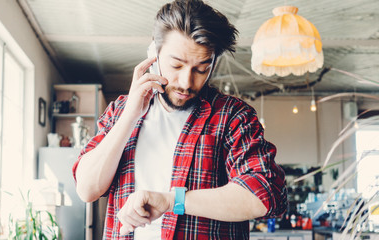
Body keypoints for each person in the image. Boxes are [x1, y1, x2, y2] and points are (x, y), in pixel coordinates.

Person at [73, 0, 287, 239]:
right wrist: (129, 117)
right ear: (153, 55)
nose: (186, 82)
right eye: (176, 65)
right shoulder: (120, 111)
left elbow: (265, 195)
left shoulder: (233, 116)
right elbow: (87, 189)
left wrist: (173, 200)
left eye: (201, 69)